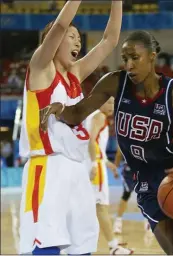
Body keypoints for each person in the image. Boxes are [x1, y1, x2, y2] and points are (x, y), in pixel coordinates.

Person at [40, 30, 173, 255]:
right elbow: (78, 113)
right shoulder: (114, 82)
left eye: (135, 58)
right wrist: (61, 109)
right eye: (125, 58)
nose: (129, 65)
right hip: (145, 181)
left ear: (152, 56)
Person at [19, 0, 123, 255]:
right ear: (52, 40)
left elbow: (110, 40)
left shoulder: (74, 75)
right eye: (72, 37)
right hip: (48, 165)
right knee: (45, 241)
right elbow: (61, 24)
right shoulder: (41, 67)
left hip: (77, 168)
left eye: (79, 38)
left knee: (83, 243)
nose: (78, 42)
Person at [85, 97, 133, 254]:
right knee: (101, 207)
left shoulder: (95, 116)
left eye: (113, 103)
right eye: (108, 102)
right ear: (100, 102)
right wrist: (94, 164)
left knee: (95, 207)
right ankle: (113, 247)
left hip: (97, 162)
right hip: (95, 166)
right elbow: (90, 141)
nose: (111, 106)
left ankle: (111, 244)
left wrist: (109, 164)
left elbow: (96, 145)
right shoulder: (99, 116)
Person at [113, 147, 135, 234]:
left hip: (141, 168)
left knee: (127, 194)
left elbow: (119, 153)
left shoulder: (124, 134)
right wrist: (115, 168)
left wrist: (115, 169)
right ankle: (118, 221)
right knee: (127, 194)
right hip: (131, 170)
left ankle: (149, 222)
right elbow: (119, 153)